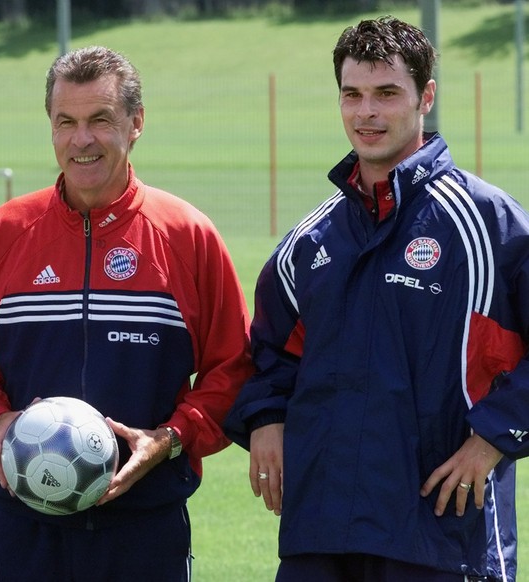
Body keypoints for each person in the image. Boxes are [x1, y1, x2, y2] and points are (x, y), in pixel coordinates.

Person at [225, 16, 529, 582]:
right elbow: (269, 355)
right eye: (352, 95)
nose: (367, 112)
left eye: (386, 94)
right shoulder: (308, 243)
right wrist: (265, 419)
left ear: (426, 97)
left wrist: (492, 441)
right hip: (320, 531)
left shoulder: (488, 225)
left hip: (440, 532)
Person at [0, 46, 253, 582]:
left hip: (145, 530)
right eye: (65, 122)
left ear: (136, 123)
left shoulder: (187, 237)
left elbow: (233, 370)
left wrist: (169, 439)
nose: (81, 140)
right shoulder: (3, 235)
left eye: (100, 120)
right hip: (22, 527)